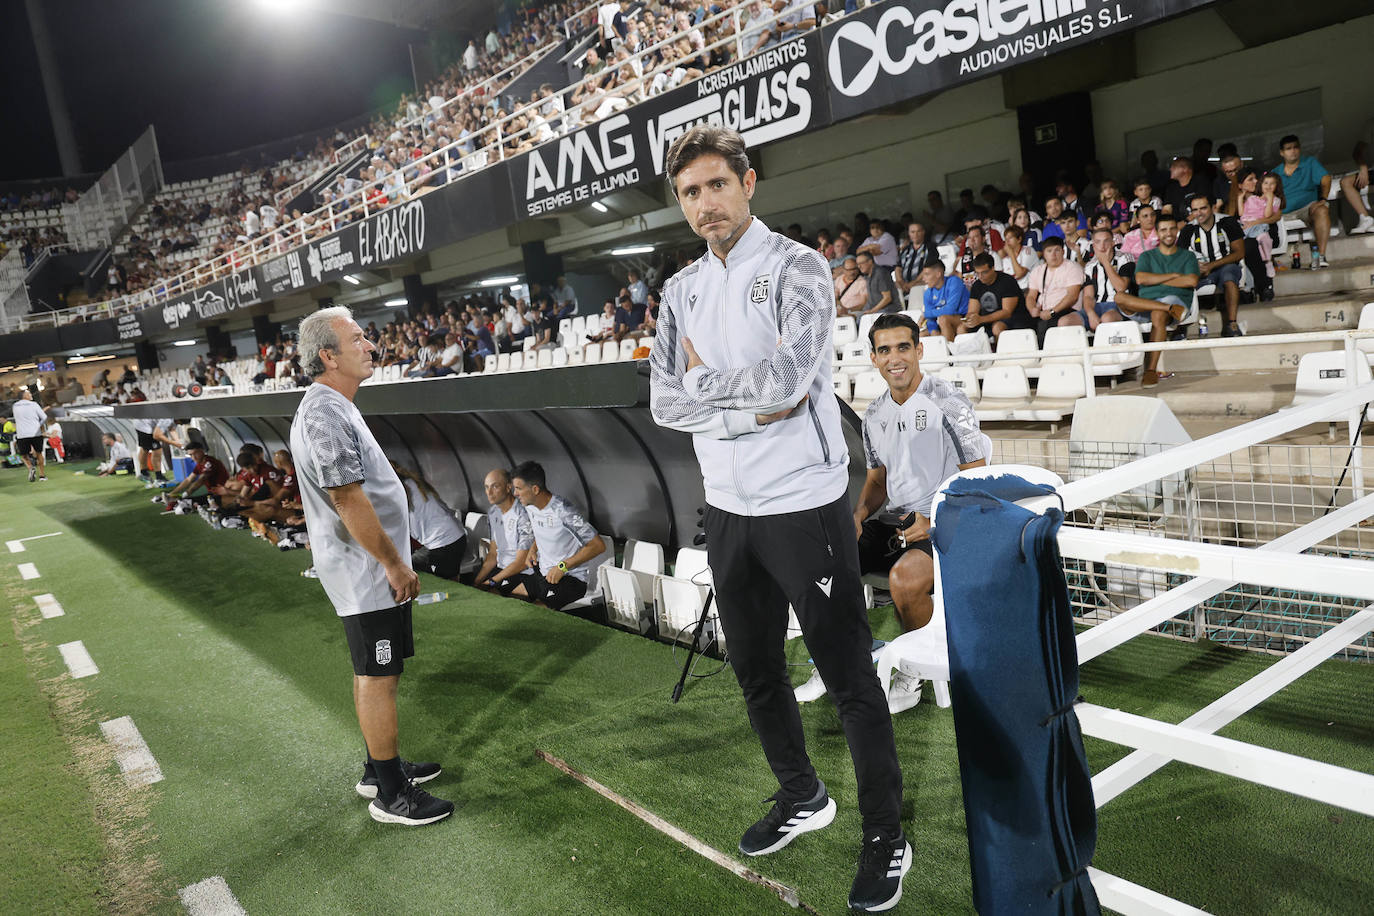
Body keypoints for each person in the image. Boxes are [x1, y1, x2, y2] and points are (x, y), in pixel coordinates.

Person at [648, 125, 909, 913]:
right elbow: (662, 399)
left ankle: (886, 837)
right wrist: (738, 406)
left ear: (748, 182)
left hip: (804, 503)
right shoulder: (679, 291)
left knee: (848, 679)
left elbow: (792, 383)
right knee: (755, 671)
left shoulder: (798, 267)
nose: (704, 204)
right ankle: (802, 795)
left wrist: (710, 393)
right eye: (689, 192)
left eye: (715, 185)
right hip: (728, 510)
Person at [289, 305, 451, 827]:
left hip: (368, 568)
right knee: (378, 674)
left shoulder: (334, 405)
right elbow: (348, 500)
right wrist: (393, 563)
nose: (370, 345)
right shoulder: (324, 413)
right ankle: (391, 795)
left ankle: (377, 769)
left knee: (377, 671)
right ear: (327, 356)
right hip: (366, 571)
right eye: (357, 338)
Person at [843, 314, 987, 711]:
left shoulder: (949, 401)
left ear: (919, 350)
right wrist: (857, 515)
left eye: (903, 347)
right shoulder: (873, 415)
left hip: (946, 524)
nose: (895, 358)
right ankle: (848, 659)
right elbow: (876, 482)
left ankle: (917, 670)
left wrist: (935, 520)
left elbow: (976, 480)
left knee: (904, 579)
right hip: (895, 522)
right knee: (828, 561)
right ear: (873, 358)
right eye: (884, 350)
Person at [1112, 213, 1199, 388]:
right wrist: (1174, 275)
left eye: (1172, 228)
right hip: (1150, 304)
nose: (1169, 233)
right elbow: (1141, 279)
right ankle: (1168, 308)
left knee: (1158, 314)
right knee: (1119, 297)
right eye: (1164, 229)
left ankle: (1150, 371)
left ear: (1177, 231)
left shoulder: (1187, 256)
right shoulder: (1147, 256)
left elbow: (1191, 281)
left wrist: (1157, 278)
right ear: (1157, 233)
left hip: (1177, 300)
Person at [507, 461, 605, 610]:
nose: (515, 493)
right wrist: (533, 549)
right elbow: (542, 529)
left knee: (531, 614)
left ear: (535, 489)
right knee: (510, 603)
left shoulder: (563, 510)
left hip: (569, 579)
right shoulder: (529, 506)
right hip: (543, 574)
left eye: (518, 488)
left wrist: (562, 567)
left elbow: (598, 545)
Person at [1179, 193, 1246, 337]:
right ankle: (1180, 327)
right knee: (1179, 281)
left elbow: (1239, 253)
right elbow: (1180, 258)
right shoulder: (1188, 230)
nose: (1199, 213)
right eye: (1195, 210)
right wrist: (1195, 267)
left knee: (1229, 276)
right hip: (1199, 270)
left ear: (1212, 207)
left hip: (1225, 265)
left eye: (1203, 208)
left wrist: (1212, 265)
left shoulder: (1227, 222)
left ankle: (1232, 324)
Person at [392, 462, 467, 581]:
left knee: (444, 584)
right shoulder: (412, 482)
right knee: (449, 581)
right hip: (455, 536)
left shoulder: (400, 490)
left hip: (444, 542)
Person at [1276, 135, 1332, 269]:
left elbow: (1326, 179)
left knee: (1322, 210)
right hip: (1282, 213)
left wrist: (1323, 199)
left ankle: (1321, 257)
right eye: (1288, 148)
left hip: (1306, 208)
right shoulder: (1275, 172)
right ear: (1281, 153)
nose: (1293, 151)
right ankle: (1270, 263)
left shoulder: (1310, 162)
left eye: (1296, 147)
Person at [474, 468, 534, 591]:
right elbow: (493, 554)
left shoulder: (523, 514)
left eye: (495, 486)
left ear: (508, 487)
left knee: (492, 596)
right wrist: (476, 582)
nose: (489, 492)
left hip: (523, 572)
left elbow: (522, 562)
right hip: (501, 570)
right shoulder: (493, 513)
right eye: (486, 487)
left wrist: (491, 582)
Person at [1024, 237, 1085, 340]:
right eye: (1049, 251)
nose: (1053, 254)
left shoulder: (1072, 268)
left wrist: (1052, 312)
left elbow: (1072, 296)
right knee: (1022, 326)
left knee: (1051, 326)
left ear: (1063, 251)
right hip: (1043, 311)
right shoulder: (1038, 271)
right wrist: (1032, 309)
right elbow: (1031, 296)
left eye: (1057, 250)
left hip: (1066, 310)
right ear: (1044, 254)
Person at [964, 253, 1029, 342]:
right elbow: (972, 311)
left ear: (993, 268)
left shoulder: (1007, 281)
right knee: (962, 328)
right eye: (977, 273)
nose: (980, 277)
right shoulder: (977, 285)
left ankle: (1000, 355)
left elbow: (1007, 312)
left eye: (984, 272)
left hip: (1014, 319)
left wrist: (981, 319)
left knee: (997, 327)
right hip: (986, 321)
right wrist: (970, 319)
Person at [1080, 227, 1132, 330]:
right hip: (1097, 306)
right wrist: (1091, 314)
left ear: (1113, 243)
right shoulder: (1090, 266)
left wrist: (1106, 263)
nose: (1102, 246)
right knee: (1066, 321)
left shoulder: (1125, 258)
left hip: (1120, 306)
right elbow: (1088, 296)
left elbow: (1121, 287)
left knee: (1106, 319)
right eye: (1098, 242)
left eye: (1106, 241)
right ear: (1093, 245)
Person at [920, 257, 970, 341]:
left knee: (943, 319)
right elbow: (930, 317)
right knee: (922, 335)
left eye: (927, 274)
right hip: (941, 322)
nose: (924, 279)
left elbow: (950, 310)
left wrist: (926, 314)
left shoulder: (954, 282)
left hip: (964, 318)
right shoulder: (928, 293)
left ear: (938, 274)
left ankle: (947, 352)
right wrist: (933, 331)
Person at [12, 388, 50, 482]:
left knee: (24, 455)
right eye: (29, 393)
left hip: (22, 434)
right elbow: (44, 417)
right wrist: (38, 424)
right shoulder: (34, 404)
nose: (31, 395)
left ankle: (30, 467)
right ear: (24, 396)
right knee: (39, 453)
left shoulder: (15, 406)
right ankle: (42, 475)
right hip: (36, 433)